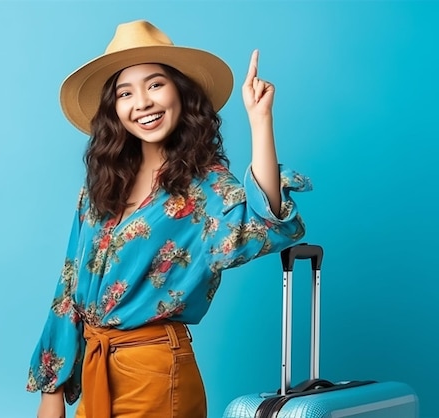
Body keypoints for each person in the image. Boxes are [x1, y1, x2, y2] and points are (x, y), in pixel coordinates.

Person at [26, 20, 312, 418]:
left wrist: (260, 119)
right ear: (114, 110)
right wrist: (52, 390)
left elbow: (264, 220)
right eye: (126, 93)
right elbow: (69, 285)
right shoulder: (98, 190)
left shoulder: (203, 184)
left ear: (181, 93)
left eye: (155, 84)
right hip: (96, 367)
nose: (141, 102)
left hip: (156, 368)